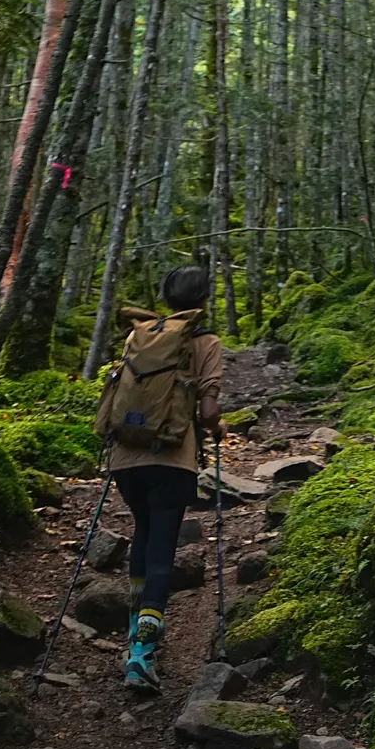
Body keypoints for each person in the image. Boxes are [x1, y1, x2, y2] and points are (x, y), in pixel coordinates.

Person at [97, 261, 223, 693]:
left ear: (165, 299)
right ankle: (142, 655)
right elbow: (208, 415)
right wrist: (217, 427)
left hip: (126, 458)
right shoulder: (205, 342)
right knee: (163, 548)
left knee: (143, 531)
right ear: (204, 301)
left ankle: (137, 634)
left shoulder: (140, 335)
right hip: (171, 458)